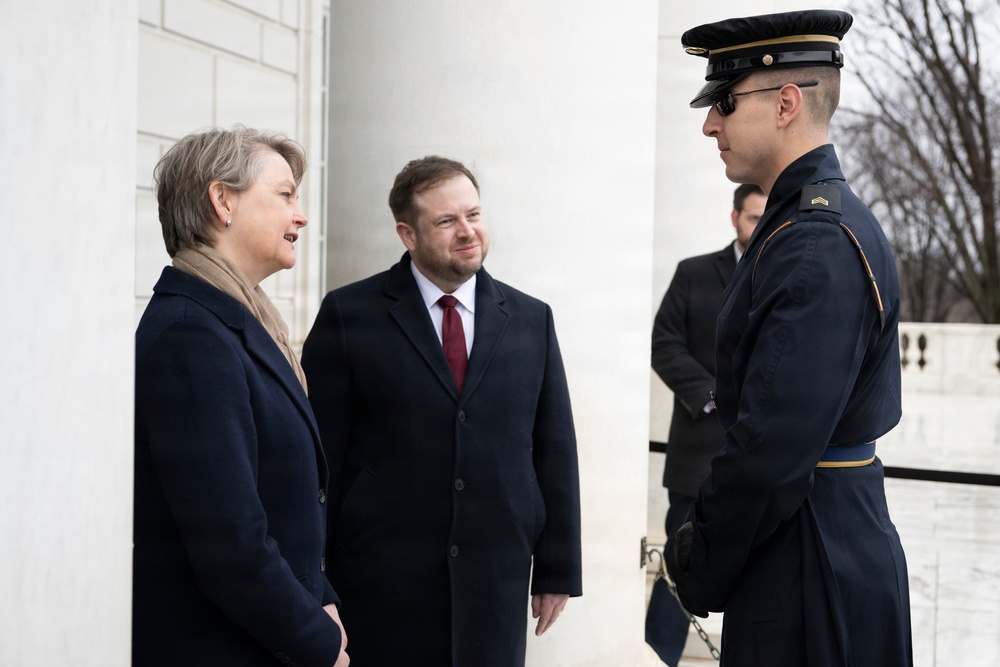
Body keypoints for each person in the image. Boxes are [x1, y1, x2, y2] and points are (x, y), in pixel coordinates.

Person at [664, 10, 913, 667]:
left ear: (785, 103)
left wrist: (702, 558)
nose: (709, 123)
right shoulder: (797, 226)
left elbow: (773, 447)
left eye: (722, 101)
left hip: (813, 557)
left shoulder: (814, 243)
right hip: (811, 539)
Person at [301, 156, 582, 666]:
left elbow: (554, 450)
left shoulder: (531, 319)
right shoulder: (349, 314)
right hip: (380, 580)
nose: (467, 232)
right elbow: (318, 459)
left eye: (473, 215)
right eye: (447, 221)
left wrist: (557, 570)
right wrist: (312, 575)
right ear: (407, 235)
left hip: (496, 577)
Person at [133, 126, 349, 667]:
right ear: (222, 200)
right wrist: (320, 643)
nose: (300, 215)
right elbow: (228, 542)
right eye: (284, 195)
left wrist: (322, 599)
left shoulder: (232, 321)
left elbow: (284, 502)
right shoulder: (190, 335)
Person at [645, 183, 764, 666]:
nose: (760, 226)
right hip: (697, 455)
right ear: (734, 218)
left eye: (767, 216)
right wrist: (712, 395)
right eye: (753, 217)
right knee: (679, 567)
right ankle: (656, 657)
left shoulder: (787, 270)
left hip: (760, 459)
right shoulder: (693, 273)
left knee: (758, 575)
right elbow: (664, 344)